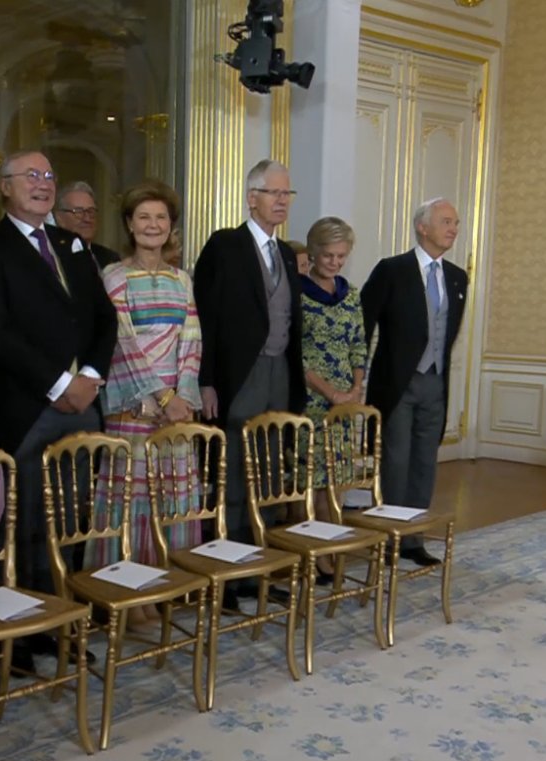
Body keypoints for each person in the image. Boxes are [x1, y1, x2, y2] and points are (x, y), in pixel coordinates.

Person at [0, 150, 116, 671]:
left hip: (84, 405)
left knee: (71, 522)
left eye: (49, 175)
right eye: (30, 176)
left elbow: (104, 317)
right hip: (29, 407)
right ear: (4, 187)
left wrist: (92, 377)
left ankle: (63, 622)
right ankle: (21, 636)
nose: (43, 184)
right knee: (25, 524)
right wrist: (58, 384)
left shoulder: (70, 243)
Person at [92, 181, 201, 625]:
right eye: (144, 218)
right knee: (132, 504)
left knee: (168, 502)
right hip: (135, 409)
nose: (153, 225)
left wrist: (184, 396)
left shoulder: (182, 279)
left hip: (175, 415)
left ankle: (164, 583)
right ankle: (129, 594)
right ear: (130, 226)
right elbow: (122, 343)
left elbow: (192, 340)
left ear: (170, 226)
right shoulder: (115, 277)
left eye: (160, 218)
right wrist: (162, 396)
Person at [193, 159, 307, 554]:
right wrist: (205, 380)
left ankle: (260, 562)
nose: (282, 201)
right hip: (240, 374)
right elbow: (205, 317)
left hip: (281, 373)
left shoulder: (289, 255)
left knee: (271, 471)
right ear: (251, 198)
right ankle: (230, 565)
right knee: (235, 474)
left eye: (287, 193)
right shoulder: (225, 245)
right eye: (274, 192)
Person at [361, 198, 468, 566]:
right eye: (445, 221)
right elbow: (363, 325)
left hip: (435, 384)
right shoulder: (392, 270)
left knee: (424, 463)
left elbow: (446, 332)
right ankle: (388, 540)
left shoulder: (457, 277)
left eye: (455, 222)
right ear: (422, 227)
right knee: (395, 462)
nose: (453, 228)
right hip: (396, 385)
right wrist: (357, 379)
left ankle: (412, 540)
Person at [299, 217, 366, 578]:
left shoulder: (350, 293)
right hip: (312, 402)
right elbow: (296, 354)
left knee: (338, 481)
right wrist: (331, 392)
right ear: (313, 253)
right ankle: (312, 555)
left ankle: (330, 548)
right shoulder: (297, 293)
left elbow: (358, 344)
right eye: (329, 256)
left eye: (341, 256)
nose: (335, 263)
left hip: (344, 404)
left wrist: (354, 390)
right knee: (314, 483)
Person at [54, 180, 120, 272]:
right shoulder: (52, 255)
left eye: (91, 211)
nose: (87, 218)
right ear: (59, 218)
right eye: (78, 211)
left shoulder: (110, 258)